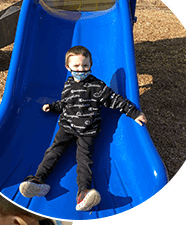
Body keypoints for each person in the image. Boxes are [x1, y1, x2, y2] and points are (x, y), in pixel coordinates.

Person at [19, 45, 147, 212]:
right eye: (77, 66)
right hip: (67, 127)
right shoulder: (68, 84)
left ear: (90, 65)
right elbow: (65, 103)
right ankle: (38, 181)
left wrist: (134, 112)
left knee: (84, 160)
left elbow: (115, 100)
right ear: (68, 67)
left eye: (85, 66)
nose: (81, 69)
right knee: (53, 151)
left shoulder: (96, 86)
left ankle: (83, 194)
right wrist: (53, 107)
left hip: (87, 131)